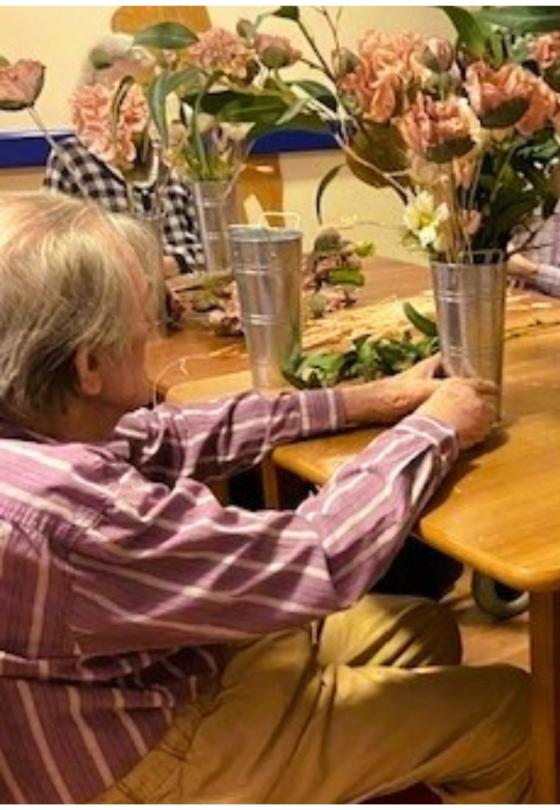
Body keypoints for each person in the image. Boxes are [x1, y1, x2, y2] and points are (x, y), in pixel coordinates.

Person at [0, 192, 530, 803]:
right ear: (87, 363)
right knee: (510, 713)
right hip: (141, 764)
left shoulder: (39, 427)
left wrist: (370, 399)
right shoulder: (73, 514)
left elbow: (174, 434)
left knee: (420, 627)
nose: (149, 324)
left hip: (146, 679)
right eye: (135, 313)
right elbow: (319, 556)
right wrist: (434, 429)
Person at [43, 35, 203, 275]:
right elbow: (54, 254)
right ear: (90, 95)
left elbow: (209, 246)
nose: (136, 100)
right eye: (123, 89)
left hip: (192, 294)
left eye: (147, 89)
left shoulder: (176, 153)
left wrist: (172, 265)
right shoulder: (70, 160)